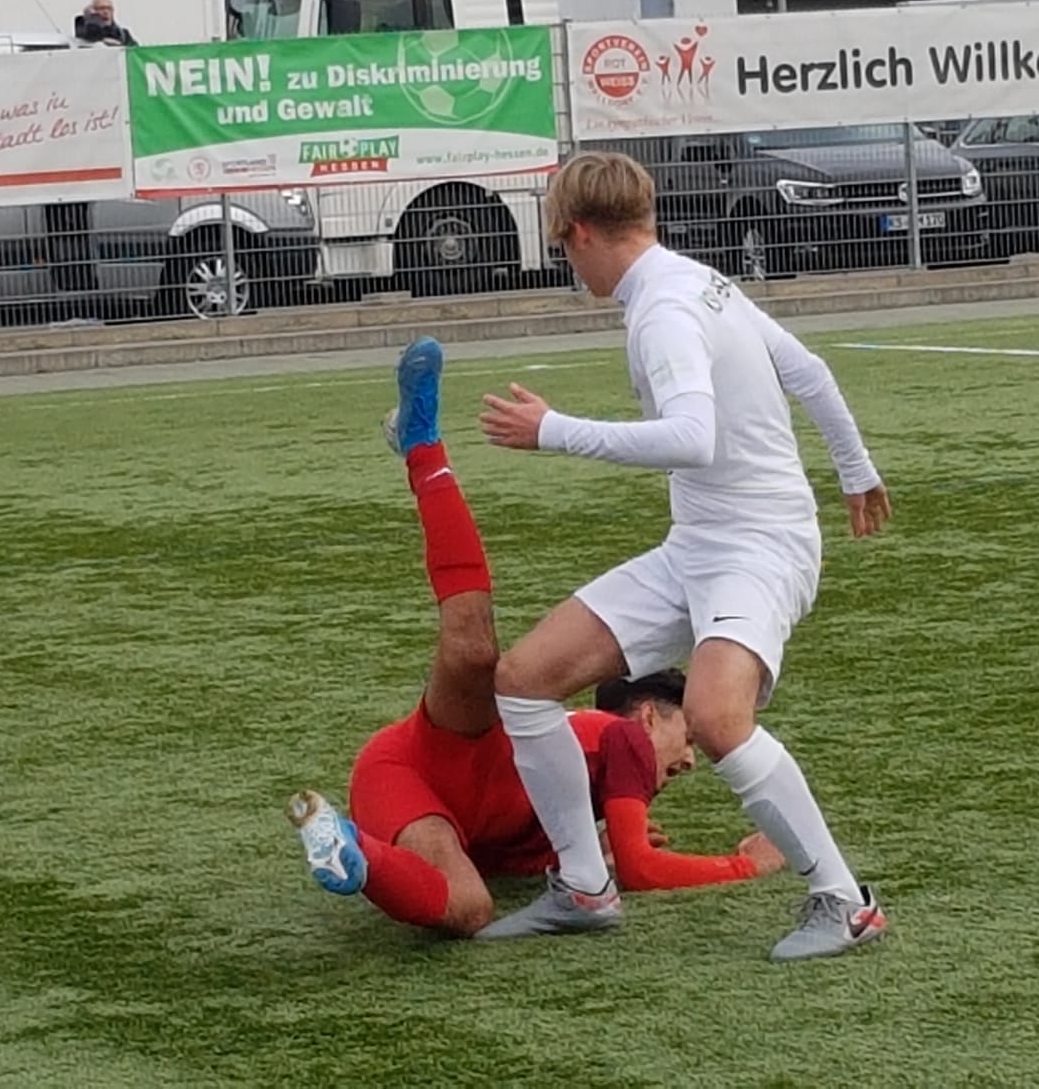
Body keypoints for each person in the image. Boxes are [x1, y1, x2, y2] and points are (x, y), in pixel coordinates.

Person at [477, 151, 892, 961]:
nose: (569, 266)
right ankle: (585, 887)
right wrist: (856, 471)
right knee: (523, 681)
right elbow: (809, 372)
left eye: (561, 247)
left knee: (716, 718)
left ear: (581, 232)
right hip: (697, 545)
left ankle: (846, 902)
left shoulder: (665, 307)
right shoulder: (697, 280)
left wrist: (552, 430)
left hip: (759, 546)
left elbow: (692, 438)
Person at [286, 338, 785, 937]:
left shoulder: (588, 792)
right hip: (430, 758)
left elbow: (511, 846)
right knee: (475, 653)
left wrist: (576, 853)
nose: (688, 759)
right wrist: (746, 865)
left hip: (417, 798)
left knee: (470, 911)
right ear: (648, 716)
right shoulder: (625, 742)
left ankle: (350, 850)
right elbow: (641, 870)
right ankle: (423, 446)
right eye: (688, 738)